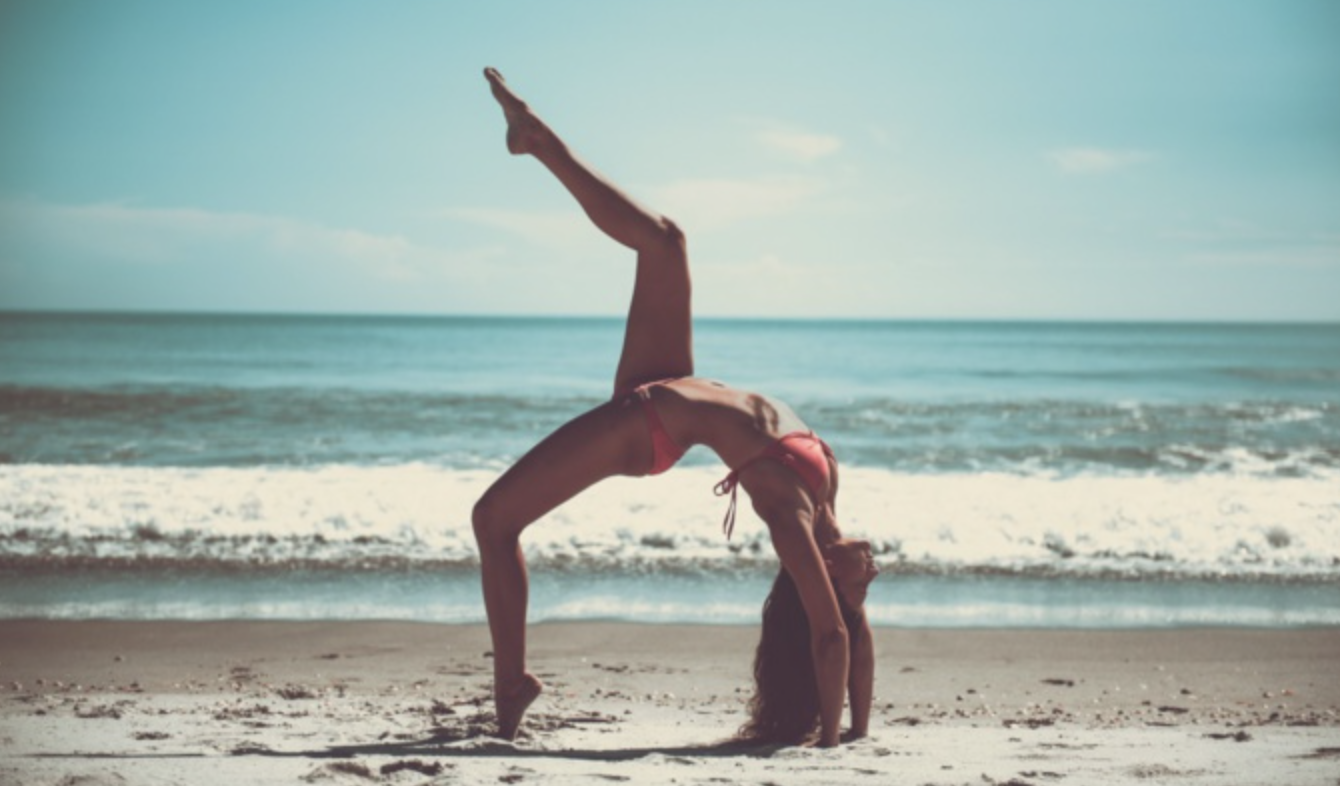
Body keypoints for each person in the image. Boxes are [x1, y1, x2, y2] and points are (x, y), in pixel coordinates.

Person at [471, 67, 879, 747]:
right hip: (670, 385)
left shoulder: (790, 516)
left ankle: (511, 683)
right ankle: (537, 141)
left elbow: (835, 635)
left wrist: (834, 741)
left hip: (648, 428)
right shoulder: (825, 478)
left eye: (862, 582)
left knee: (492, 520)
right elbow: (852, 632)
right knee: (667, 240)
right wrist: (862, 726)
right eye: (871, 576)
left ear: (824, 576)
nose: (873, 566)